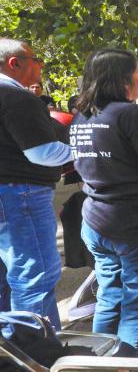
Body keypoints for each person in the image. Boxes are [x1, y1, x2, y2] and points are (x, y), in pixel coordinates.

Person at [71, 49, 138, 356]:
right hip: (134, 224)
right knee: (136, 304)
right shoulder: (131, 115)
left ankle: (97, 362)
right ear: (124, 79)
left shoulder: (81, 117)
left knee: (109, 297)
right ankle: (127, 362)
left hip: (96, 221)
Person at [0, 38, 72, 328]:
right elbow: (42, 153)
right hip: (21, 194)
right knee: (35, 274)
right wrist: (83, 153)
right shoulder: (16, 97)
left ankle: (12, 349)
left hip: (10, 194)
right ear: (14, 63)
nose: (40, 64)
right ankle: (38, 353)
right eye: (35, 58)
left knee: (8, 278)